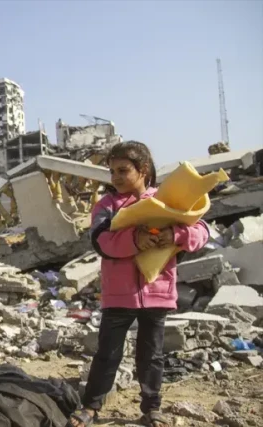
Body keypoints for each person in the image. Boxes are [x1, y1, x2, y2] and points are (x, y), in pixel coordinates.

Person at [67, 142, 209, 427]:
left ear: (143, 169)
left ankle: (151, 409)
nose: (116, 177)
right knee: (108, 353)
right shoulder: (106, 206)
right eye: (112, 172)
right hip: (119, 295)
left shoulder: (167, 200)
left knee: (152, 355)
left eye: (123, 170)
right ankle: (91, 407)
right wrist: (135, 240)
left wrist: (176, 234)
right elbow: (101, 241)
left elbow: (202, 230)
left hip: (157, 291)